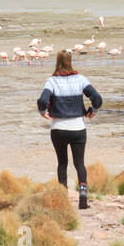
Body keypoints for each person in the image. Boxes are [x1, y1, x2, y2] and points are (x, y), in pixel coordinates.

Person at [37, 50, 103, 209]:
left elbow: (42, 101)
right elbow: (97, 98)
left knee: (62, 163)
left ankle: (63, 198)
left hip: (58, 129)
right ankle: (83, 194)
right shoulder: (80, 79)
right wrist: (92, 111)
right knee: (79, 163)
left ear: (57, 61)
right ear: (71, 61)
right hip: (78, 128)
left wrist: (42, 112)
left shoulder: (51, 81)